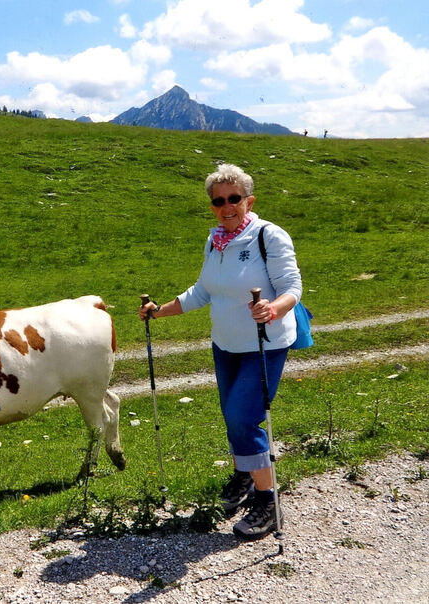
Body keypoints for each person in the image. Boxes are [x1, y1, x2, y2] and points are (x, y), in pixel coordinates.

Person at [139, 163, 302, 539]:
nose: (227, 206)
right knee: (232, 418)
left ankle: (269, 500)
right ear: (212, 205)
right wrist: (160, 311)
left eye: (234, 198)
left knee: (244, 419)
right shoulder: (215, 240)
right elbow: (203, 291)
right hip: (225, 344)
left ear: (249, 200)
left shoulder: (269, 236)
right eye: (218, 200)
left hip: (264, 344)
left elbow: (292, 286)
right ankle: (244, 477)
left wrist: (273, 308)